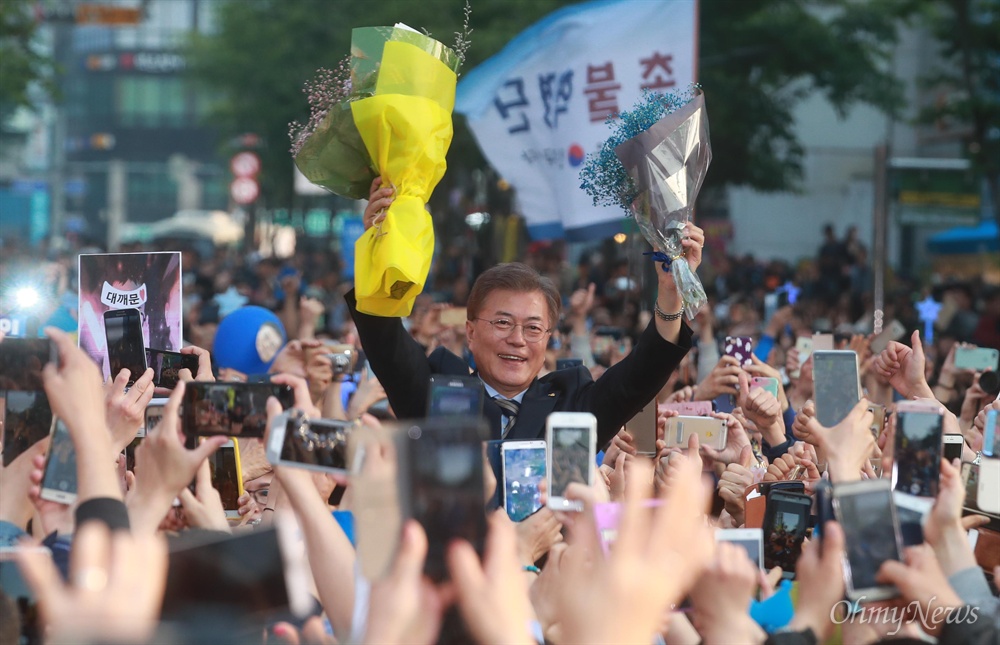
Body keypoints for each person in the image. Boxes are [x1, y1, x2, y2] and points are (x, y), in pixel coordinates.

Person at [349, 178, 705, 445]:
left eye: (533, 328)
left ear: (549, 338)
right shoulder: (437, 391)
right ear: (470, 331)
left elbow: (640, 374)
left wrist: (671, 294)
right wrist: (379, 251)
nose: (517, 340)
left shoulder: (572, 404)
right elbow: (385, 342)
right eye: (502, 322)